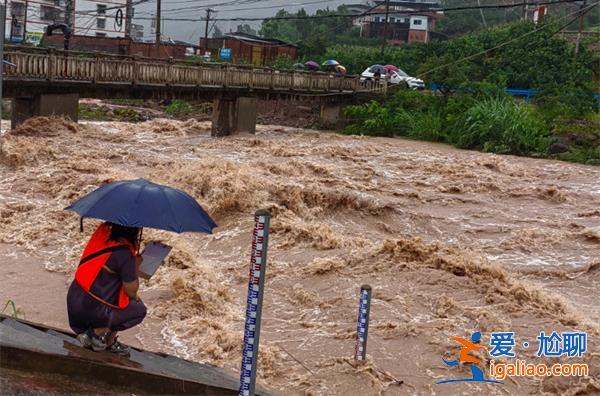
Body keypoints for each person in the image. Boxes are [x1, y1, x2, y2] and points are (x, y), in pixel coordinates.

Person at [67, 222, 147, 355]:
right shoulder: (125, 255)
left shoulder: (102, 235)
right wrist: (135, 267)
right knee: (139, 310)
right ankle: (94, 334)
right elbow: (131, 291)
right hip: (92, 310)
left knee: (115, 296)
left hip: (74, 300)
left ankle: (108, 341)